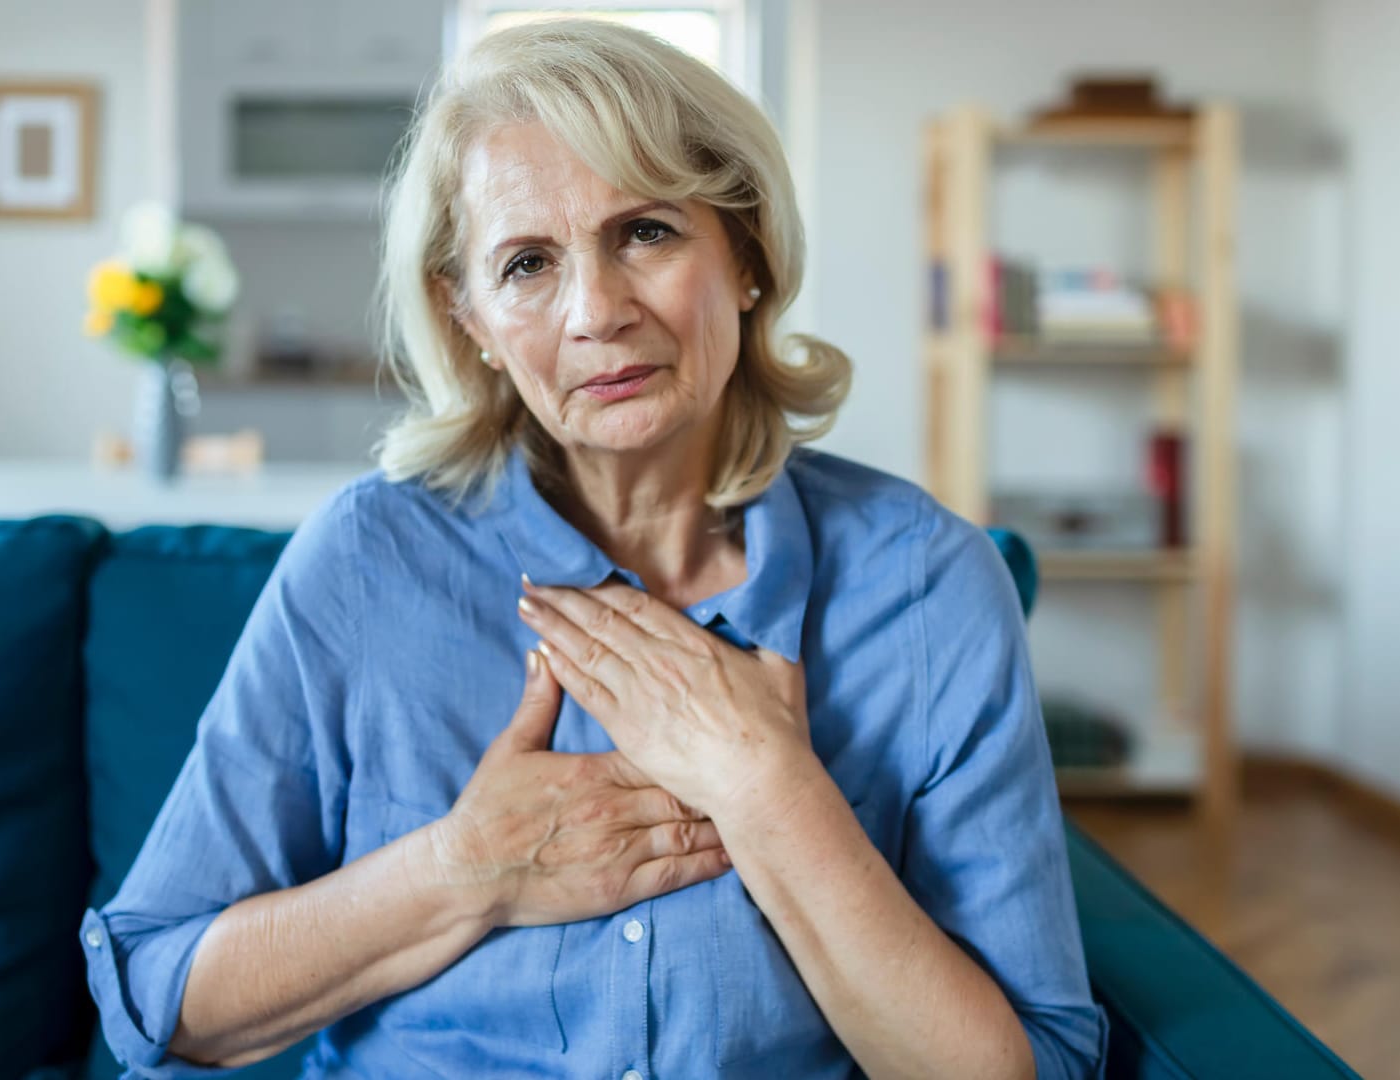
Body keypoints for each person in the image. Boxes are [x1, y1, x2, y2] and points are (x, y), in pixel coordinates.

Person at [80, 18, 1109, 1080]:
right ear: (468, 314)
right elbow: (160, 996)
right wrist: (463, 870)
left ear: (745, 254)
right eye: (527, 263)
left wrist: (770, 791)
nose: (596, 312)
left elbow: (1034, 1067)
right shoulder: (367, 559)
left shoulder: (930, 585)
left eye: (646, 233)